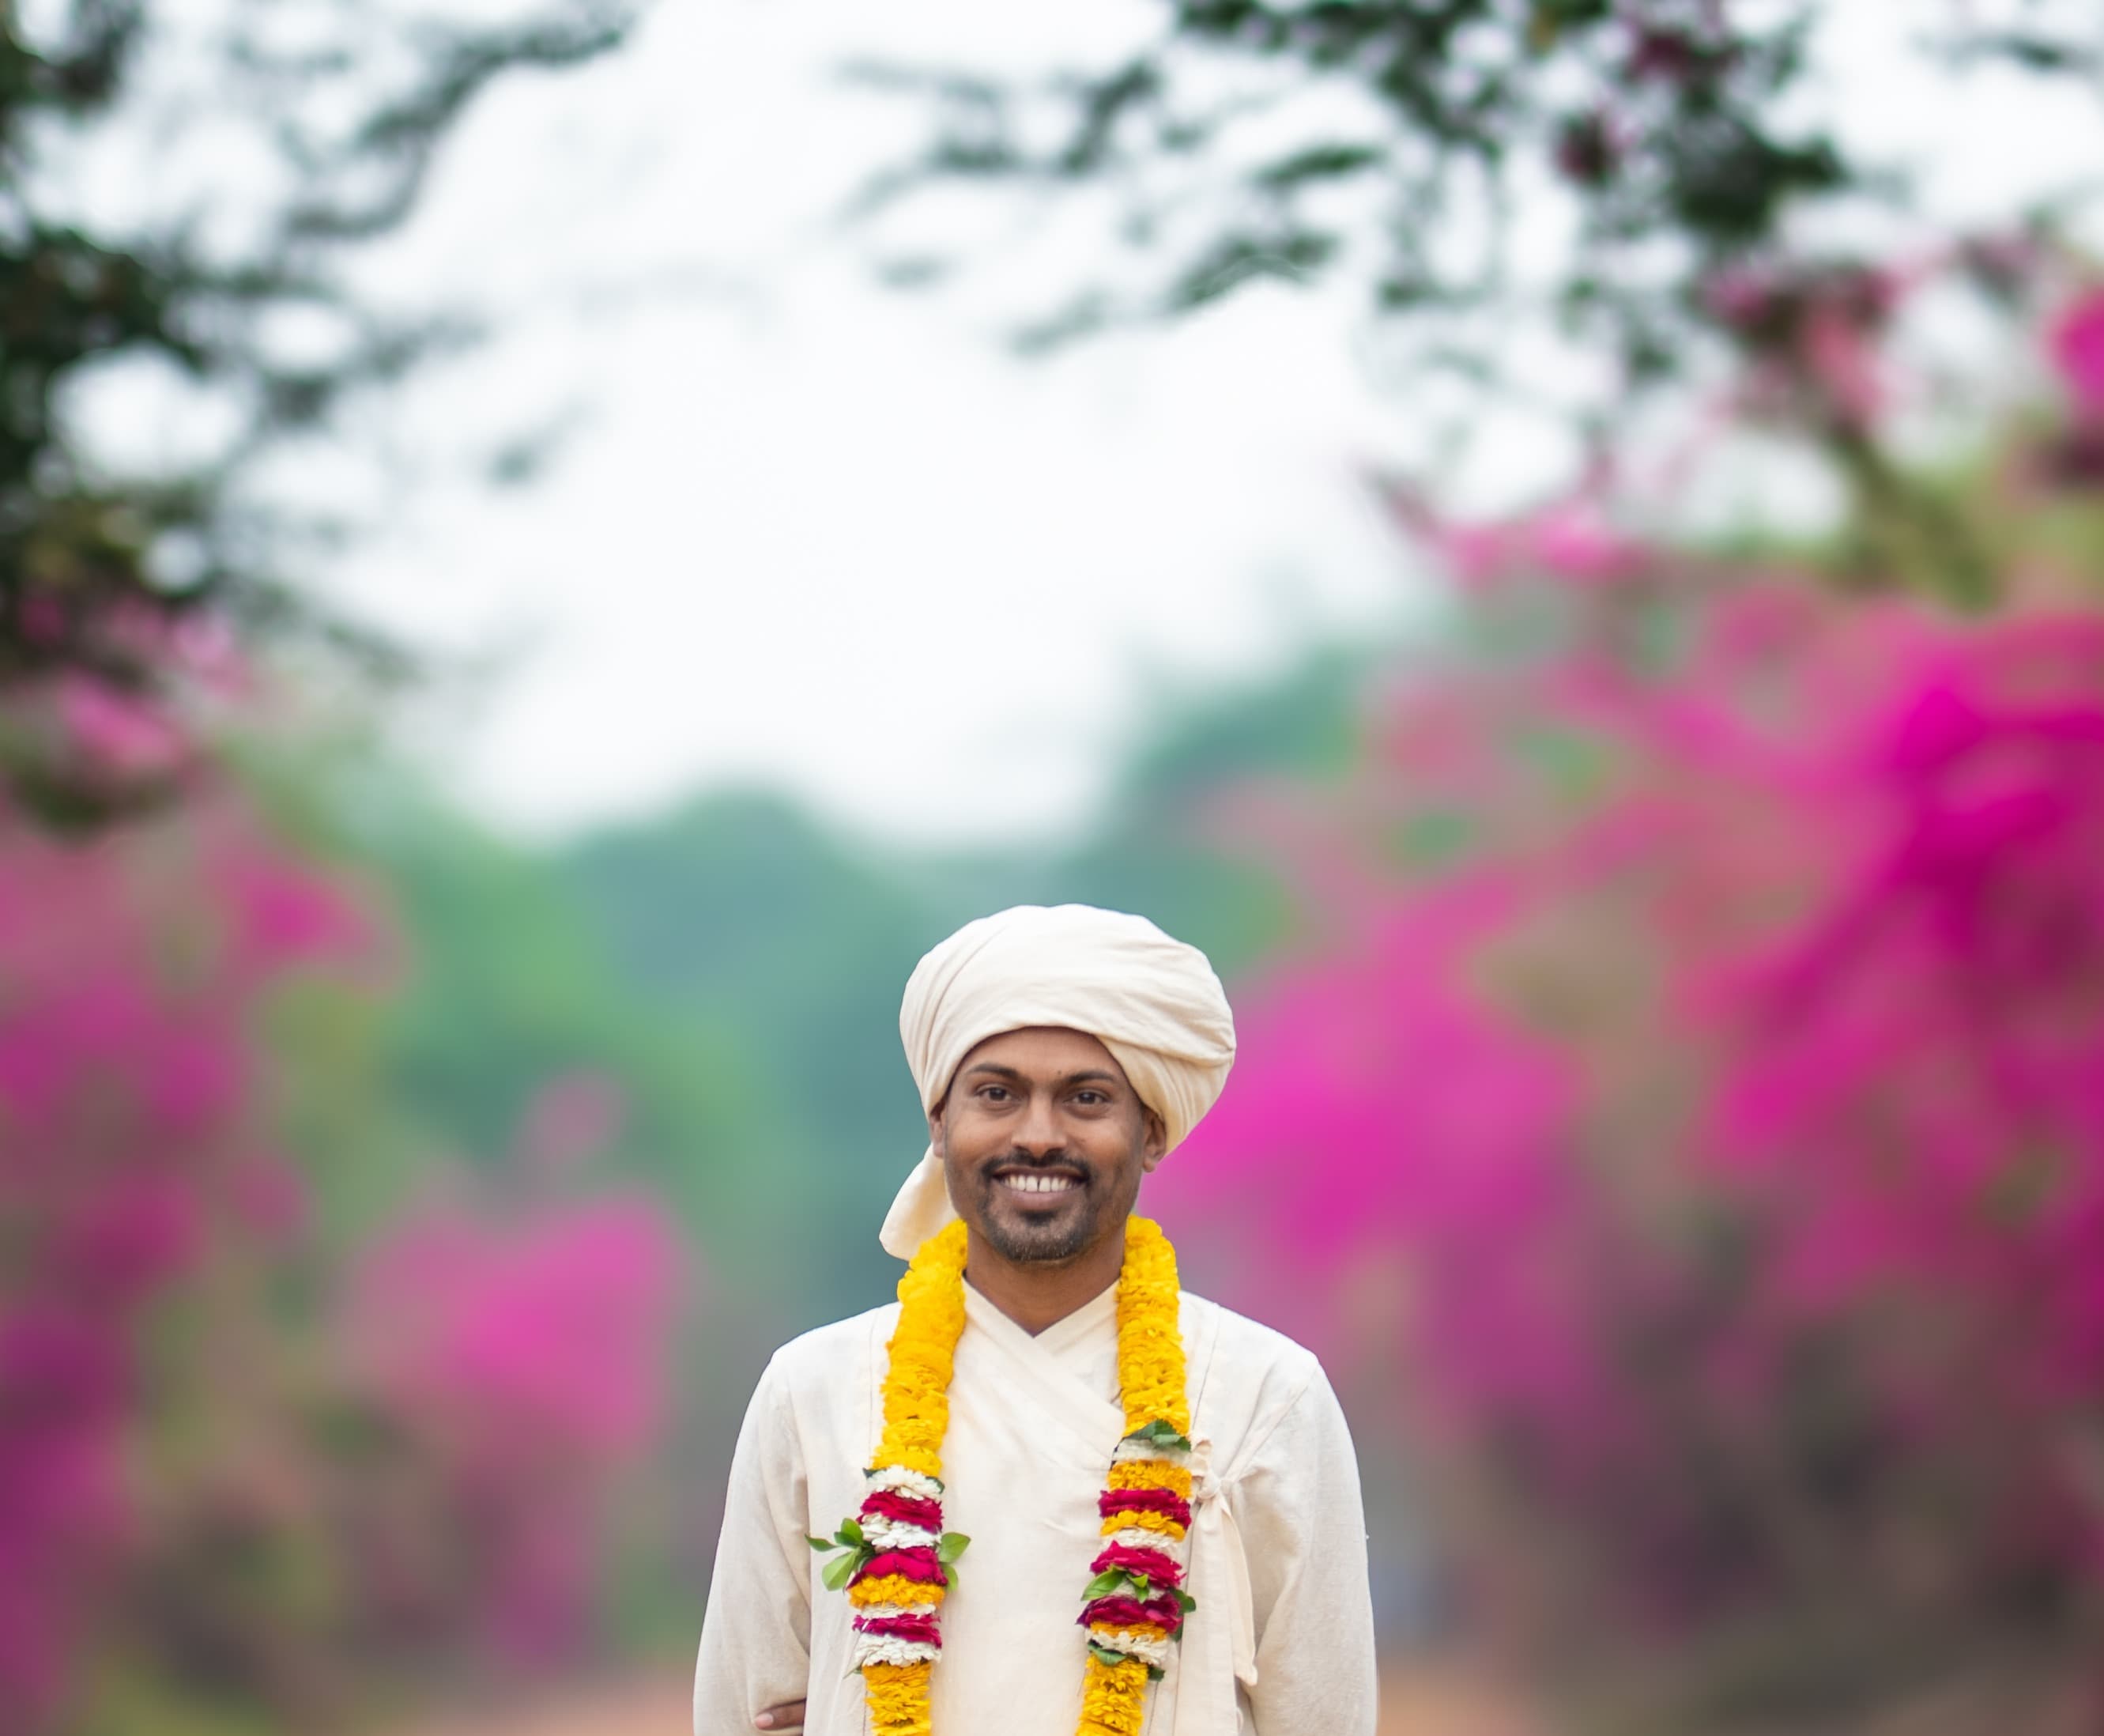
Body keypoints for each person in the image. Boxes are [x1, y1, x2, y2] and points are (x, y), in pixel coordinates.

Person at [691, 904, 1378, 1735]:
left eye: (1086, 1098)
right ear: (940, 1123)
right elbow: (745, 1707)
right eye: (997, 1094)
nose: (1039, 1135)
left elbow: (1324, 1711)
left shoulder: (1267, 1398)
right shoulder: (815, 1392)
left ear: (1151, 1130)